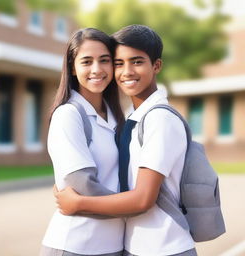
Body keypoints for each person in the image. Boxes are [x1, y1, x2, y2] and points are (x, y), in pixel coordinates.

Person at [55, 25, 197, 256]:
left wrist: (78, 202)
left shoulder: (159, 119)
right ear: (72, 67)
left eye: (137, 61)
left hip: (163, 246)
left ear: (157, 65)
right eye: (119, 63)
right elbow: (86, 179)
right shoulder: (130, 117)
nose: (126, 71)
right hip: (127, 244)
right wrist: (65, 183)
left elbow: (142, 199)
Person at [40, 28, 126, 256]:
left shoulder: (117, 116)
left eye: (104, 60)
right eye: (87, 61)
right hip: (75, 245)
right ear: (72, 68)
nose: (96, 69)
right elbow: (82, 185)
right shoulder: (68, 115)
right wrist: (138, 204)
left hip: (114, 244)